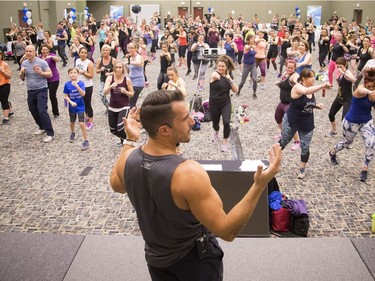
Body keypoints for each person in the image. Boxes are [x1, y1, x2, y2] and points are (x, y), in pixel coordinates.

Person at [110, 89, 282, 281]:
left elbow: (117, 185)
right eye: (185, 119)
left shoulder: (127, 159)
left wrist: (130, 140)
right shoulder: (188, 173)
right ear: (164, 130)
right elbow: (227, 230)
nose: (193, 121)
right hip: (194, 265)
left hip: (156, 261)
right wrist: (259, 185)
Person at [279, 68, 331, 179]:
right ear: (303, 78)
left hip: (307, 121)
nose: (313, 79)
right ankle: (273, 161)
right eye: (311, 77)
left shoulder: (311, 89)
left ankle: (302, 169)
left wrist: (316, 106)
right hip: (292, 119)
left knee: (305, 147)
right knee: (283, 142)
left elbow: (308, 102)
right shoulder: (297, 87)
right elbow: (306, 92)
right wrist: (322, 86)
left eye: (313, 77)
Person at [329, 70, 375, 182]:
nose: (371, 88)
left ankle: (365, 168)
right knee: (347, 143)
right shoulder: (360, 90)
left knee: (372, 143)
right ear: (365, 84)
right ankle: (332, 152)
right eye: (369, 86)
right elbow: (362, 90)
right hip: (351, 121)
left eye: (373, 87)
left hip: (366, 121)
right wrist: (369, 92)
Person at [19, 45, 55, 142]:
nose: (28, 53)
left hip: (41, 89)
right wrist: (22, 72)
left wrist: (40, 72)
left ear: (35, 52)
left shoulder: (41, 62)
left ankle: (50, 133)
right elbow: (22, 77)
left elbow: (50, 74)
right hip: (30, 90)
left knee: (42, 110)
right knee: (32, 109)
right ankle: (41, 127)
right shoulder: (24, 63)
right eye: (26, 51)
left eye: (30, 51)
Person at [209, 55, 238, 152]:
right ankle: (216, 132)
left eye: (223, 66)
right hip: (214, 103)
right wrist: (218, 75)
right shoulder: (214, 74)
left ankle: (225, 142)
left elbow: (235, 90)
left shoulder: (229, 77)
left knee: (226, 122)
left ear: (226, 67)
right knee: (215, 123)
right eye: (219, 66)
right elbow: (215, 76)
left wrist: (229, 79)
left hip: (225, 103)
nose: (220, 68)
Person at [103, 62, 134, 144]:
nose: (118, 69)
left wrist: (125, 91)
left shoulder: (127, 80)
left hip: (124, 106)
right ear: (114, 69)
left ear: (123, 69)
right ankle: (124, 139)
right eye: (117, 67)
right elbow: (105, 92)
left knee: (120, 127)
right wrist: (110, 87)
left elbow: (132, 94)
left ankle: (127, 143)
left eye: (120, 67)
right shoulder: (110, 78)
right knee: (113, 130)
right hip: (112, 106)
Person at [274, 59, 300, 150]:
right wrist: (279, 84)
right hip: (282, 102)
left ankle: (297, 141)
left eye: (292, 68)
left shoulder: (295, 76)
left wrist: (299, 85)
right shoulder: (285, 74)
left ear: (295, 68)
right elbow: (284, 85)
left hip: (290, 104)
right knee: (277, 117)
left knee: (290, 123)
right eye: (288, 67)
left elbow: (299, 84)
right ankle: (283, 133)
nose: (289, 69)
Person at [326, 57, 356, 137]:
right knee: (331, 114)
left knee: (345, 120)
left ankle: (348, 138)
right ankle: (334, 131)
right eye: (337, 66)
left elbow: (353, 80)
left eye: (340, 66)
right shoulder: (339, 73)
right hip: (339, 97)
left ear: (345, 65)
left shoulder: (347, 72)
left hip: (347, 99)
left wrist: (343, 72)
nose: (339, 68)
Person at [63, 68, 89, 151]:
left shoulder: (81, 83)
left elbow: (83, 94)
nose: (73, 74)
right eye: (71, 73)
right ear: (68, 74)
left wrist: (77, 86)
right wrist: (70, 102)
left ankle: (86, 140)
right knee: (72, 121)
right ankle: (72, 132)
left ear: (78, 74)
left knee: (81, 123)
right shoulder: (67, 84)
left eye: (75, 73)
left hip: (81, 106)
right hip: (72, 107)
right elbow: (66, 96)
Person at [75, 47, 95, 130]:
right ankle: (86, 116)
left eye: (85, 53)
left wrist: (83, 72)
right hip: (79, 85)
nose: (83, 54)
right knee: (82, 103)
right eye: (81, 52)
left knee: (88, 104)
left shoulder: (89, 63)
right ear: (79, 53)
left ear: (87, 54)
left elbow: (91, 76)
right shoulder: (77, 60)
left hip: (87, 86)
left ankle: (91, 122)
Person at [39, 44, 61, 118]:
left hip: (54, 78)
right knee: (43, 96)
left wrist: (51, 57)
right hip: (44, 78)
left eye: (46, 49)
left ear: (48, 50)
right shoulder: (39, 58)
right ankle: (44, 111)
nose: (45, 51)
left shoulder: (52, 55)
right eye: (43, 50)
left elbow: (58, 60)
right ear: (41, 51)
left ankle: (55, 112)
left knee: (52, 95)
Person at [96, 44, 117, 111]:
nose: (105, 52)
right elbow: (96, 71)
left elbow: (118, 71)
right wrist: (100, 70)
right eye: (103, 50)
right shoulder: (99, 60)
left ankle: (114, 108)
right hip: (103, 80)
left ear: (109, 51)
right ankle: (108, 107)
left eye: (106, 50)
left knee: (114, 95)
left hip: (112, 81)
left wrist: (110, 73)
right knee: (102, 95)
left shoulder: (113, 60)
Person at [237, 35, 258, 99]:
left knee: (255, 79)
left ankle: (254, 93)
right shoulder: (246, 46)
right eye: (251, 39)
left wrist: (254, 47)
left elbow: (255, 52)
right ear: (248, 40)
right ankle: (238, 91)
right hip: (246, 66)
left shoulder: (253, 46)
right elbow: (247, 47)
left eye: (253, 39)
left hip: (253, 65)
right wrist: (252, 46)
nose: (253, 40)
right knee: (243, 81)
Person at [125, 42, 144, 108]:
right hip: (131, 81)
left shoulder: (138, 57)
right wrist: (126, 65)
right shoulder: (130, 58)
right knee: (129, 101)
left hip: (138, 82)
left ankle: (134, 116)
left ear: (136, 49)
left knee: (131, 102)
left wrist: (129, 62)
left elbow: (138, 63)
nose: (130, 49)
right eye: (129, 48)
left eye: (132, 48)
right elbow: (129, 71)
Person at [0, 51, 12, 125]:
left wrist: (3, 71)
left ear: (1, 56)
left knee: (3, 100)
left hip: (4, 85)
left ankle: (6, 118)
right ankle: (10, 109)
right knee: (3, 99)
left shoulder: (4, 64)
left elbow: (9, 76)